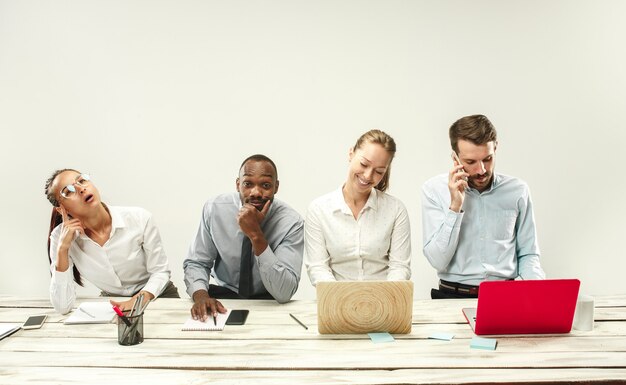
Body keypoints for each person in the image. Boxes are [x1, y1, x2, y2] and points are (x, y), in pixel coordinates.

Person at [422, 114, 546, 299]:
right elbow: (438, 261)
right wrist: (455, 207)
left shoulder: (518, 191)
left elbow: (528, 254)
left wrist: (539, 294)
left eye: (487, 159)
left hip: (505, 297)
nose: (481, 170)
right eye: (470, 162)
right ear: (455, 157)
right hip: (451, 296)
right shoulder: (433, 190)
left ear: (495, 148)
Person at [183, 154, 304, 321]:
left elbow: (284, 293)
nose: (256, 192)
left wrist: (255, 234)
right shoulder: (215, 209)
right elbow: (197, 262)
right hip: (225, 296)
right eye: (248, 184)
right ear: (238, 185)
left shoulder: (291, 223)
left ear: (276, 187)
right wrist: (201, 296)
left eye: (266, 185)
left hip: (269, 300)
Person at [45, 169, 179, 314]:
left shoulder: (139, 218)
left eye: (82, 181)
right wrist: (62, 249)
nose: (80, 189)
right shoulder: (60, 237)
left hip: (157, 296)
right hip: (114, 304)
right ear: (61, 209)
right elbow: (62, 307)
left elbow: (160, 272)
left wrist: (135, 301)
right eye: (69, 191)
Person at [305, 129, 411, 285]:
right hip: (336, 301)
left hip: (383, 301)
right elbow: (318, 268)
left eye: (379, 171)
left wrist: (383, 298)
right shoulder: (319, 209)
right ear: (351, 154)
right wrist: (343, 299)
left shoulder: (395, 210)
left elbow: (400, 267)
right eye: (364, 164)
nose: (368, 176)